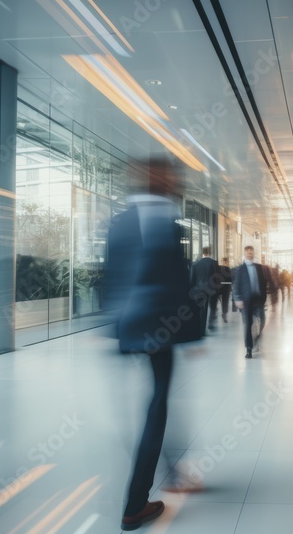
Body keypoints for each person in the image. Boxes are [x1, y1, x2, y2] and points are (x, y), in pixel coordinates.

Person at [105, 158, 202, 531]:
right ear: (160, 181)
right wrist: (191, 332)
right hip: (158, 328)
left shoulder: (121, 221)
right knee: (157, 406)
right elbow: (174, 281)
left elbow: (112, 276)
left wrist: (114, 328)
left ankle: (173, 471)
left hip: (129, 326)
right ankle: (135, 504)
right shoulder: (165, 220)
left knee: (155, 405)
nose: (176, 182)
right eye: (171, 177)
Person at [232, 245, 274, 358]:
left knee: (263, 320)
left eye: (251, 251)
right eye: (247, 251)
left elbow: (263, 283)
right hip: (246, 301)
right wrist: (237, 298)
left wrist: (264, 297)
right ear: (245, 253)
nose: (249, 253)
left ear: (253, 253)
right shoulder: (240, 269)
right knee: (248, 324)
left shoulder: (259, 268)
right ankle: (249, 349)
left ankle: (256, 338)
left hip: (258, 300)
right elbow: (236, 284)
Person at [190, 247, 219, 331]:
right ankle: (211, 324)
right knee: (213, 306)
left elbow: (193, 278)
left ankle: (201, 327)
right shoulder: (214, 263)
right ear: (210, 253)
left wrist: (192, 289)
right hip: (211, 288)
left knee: (202, 308)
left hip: (199, 288)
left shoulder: (196, 263)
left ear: (203, 253)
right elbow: (217, 277)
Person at [213, 257, 232, 324]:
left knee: (215, 301)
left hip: (218, 287)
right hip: (226, 287)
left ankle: (214, 313)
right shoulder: (228, 269)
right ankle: (224, 315)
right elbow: (230, 279)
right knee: (225, 302)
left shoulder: (217, 268)